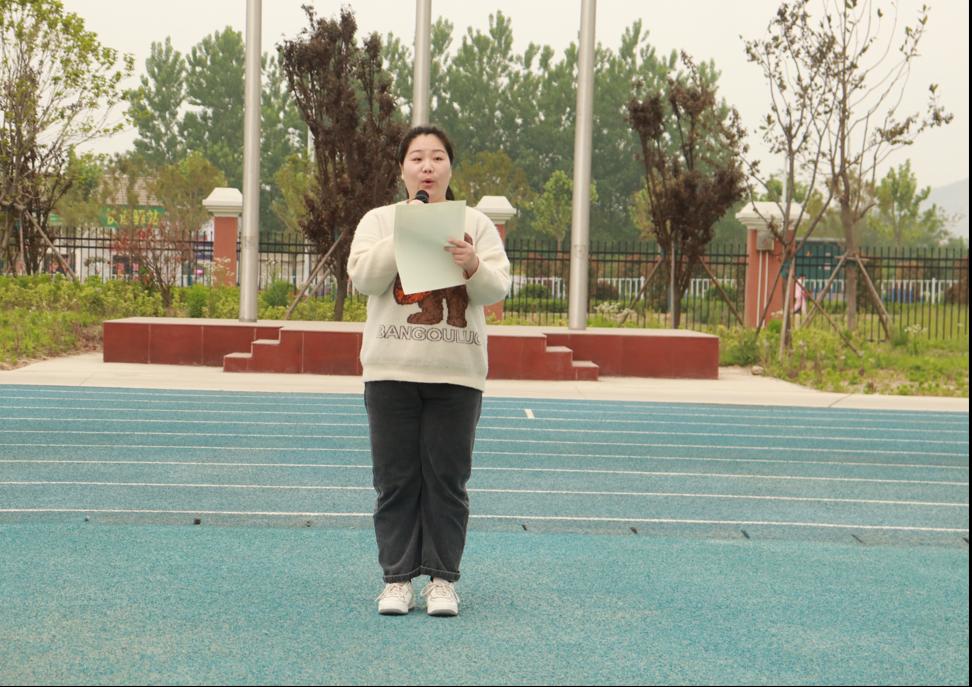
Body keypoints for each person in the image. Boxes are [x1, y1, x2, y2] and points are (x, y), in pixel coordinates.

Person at [347, 125, 511, 617]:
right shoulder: (379, 220)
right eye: (417, 157)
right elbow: (364, 279)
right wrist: (402, 233)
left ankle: (442, 580)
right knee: (395, 481)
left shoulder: (475, 223)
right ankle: (396, 580)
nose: (427, 167)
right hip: (390, 371)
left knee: (447, 481)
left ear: (450, 169)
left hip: (456, 374)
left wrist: (472, 263)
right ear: (402, 169)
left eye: (437, 157)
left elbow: (496, 289)